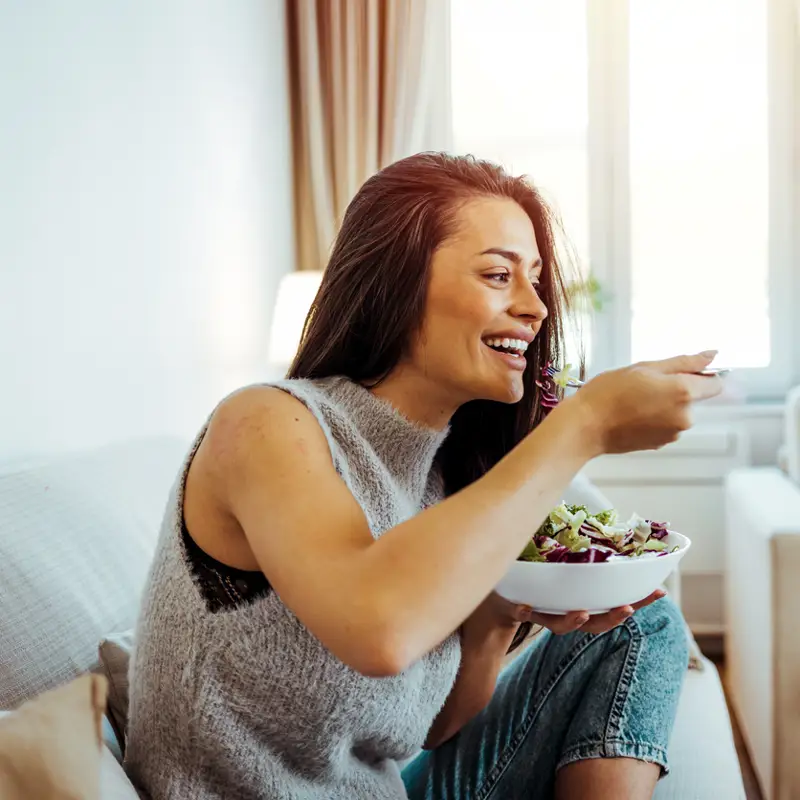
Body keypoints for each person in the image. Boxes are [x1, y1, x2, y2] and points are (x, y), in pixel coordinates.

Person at [125, 153, 722, 800]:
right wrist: (585, 425)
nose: (536, 308)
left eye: (536, 280)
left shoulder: (442, 475)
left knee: (645, 623)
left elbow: (430, 730)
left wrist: (497, 612)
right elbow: (379, 630)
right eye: (499, 274)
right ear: (396, 286)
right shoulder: (266, 424)